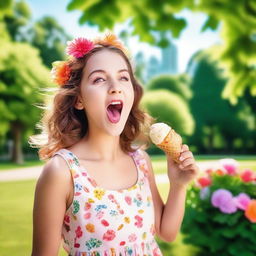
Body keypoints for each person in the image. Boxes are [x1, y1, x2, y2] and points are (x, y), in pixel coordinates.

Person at [29, 32, 199, 256]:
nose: (115, 87)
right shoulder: (62, 172)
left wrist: (178, 185)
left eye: (123, 77)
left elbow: (166, 233)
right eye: (99, 79)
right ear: (79, 99)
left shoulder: (140, 161)